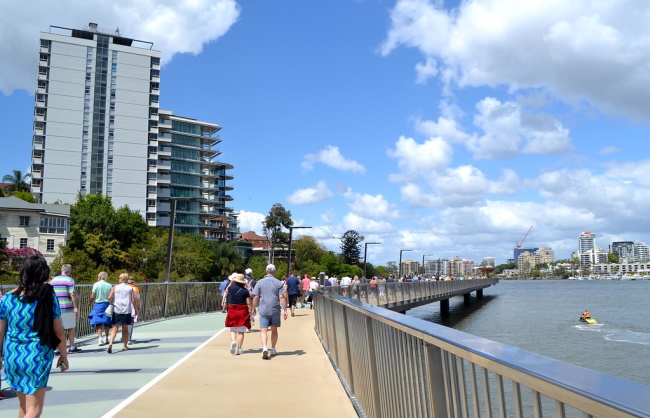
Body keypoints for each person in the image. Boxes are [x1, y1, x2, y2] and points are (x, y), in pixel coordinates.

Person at [0, 255, 69, 417]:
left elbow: (0, 332)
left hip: (12, 356)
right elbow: (58, 330)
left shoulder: (8, 298)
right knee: (35, 410)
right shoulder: (46, 297)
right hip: (37, 355)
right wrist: (64, 355)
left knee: (24, 407)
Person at [251, 264, 288, 360]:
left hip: (263, 309)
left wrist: (253, 308)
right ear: (274, 271)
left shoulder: (259, 282)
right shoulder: (279, 283)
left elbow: (255, 297)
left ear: (266, 271)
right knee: (274, 330)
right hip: (275, 309)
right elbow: (282, 297)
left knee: (263, 330)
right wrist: (285, 310)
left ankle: (264, 347)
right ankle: (273, 348)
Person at [50, 264, 81, 353]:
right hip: (67, 307)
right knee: (71, 327)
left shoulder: (54, 280)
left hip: (55, 307)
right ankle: (72, 347)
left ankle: (56, 348)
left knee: (57, 328)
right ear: (69, 271)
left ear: (61, 270)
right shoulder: (69, 280)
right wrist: (75, 307)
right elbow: (72, 294)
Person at [106, 273, 137, 354]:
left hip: (117, 309)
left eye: (119, 278)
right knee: (125, 329)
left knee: (115, 328)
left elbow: (109, 297)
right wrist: (136, 309)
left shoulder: (115, 287)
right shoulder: (130, 288)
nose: (118, 279)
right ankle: (125, 346)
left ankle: (110, 344)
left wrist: (112, 302)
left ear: (122, 279)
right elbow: (133, 300)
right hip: (126, 309)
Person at [225, 274, 252, 355]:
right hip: (242, 310)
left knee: (233, 328)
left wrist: (231, 282)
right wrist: (250, 310)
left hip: (232, 308)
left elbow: (226, 291)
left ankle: (233, 341)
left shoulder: (230, 288)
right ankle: (239, 349)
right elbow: (248, 302)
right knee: (241, 331)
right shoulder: (245, 291)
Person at [88, 271, 112, 346]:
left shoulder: (96, 284)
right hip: (107, 304)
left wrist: (90, 302)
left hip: (98, 304)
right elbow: (111, 296)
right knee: (106, 321)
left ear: (99, 277)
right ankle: (107, 337)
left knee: (98, 322)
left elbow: (93, 295)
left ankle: (100, 338)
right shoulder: (109, 285)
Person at [127, 277, 141, 344]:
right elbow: (138, 299)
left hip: (122, 307)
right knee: (131, 323)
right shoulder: (136, 288)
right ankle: (129, 339)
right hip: (132, 306)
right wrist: (138, 307)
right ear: (133, 282)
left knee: (124, 323)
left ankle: (124, 337)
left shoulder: (124, 287)